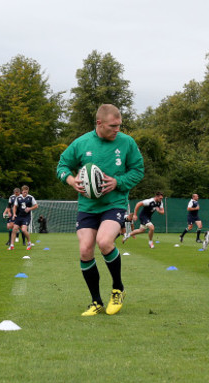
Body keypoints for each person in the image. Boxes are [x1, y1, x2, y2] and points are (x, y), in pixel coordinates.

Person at [56, 104, 144, 316]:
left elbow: (138, 171)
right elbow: (62, 166)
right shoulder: (81, 143)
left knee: (104, 242)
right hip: (87, 206)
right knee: (86, 249)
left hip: (114, 204)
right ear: (99, 123)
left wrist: (118, 182)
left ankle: (118, 289)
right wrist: (70, 179)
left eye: (119, 126)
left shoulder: (127, 143)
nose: (117, 130)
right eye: (113, 126)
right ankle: (96, 301)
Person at [9, 185, 38, 251]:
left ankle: (29, 243)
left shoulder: (30, 197)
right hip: (19, 216)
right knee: (14, 229)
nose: (25, 193)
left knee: (24, 230)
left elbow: (36, 206)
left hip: (26, 217)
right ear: (22, 191)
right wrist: (14, 214)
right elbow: (15, 206)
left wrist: (30, 208)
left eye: (26, 192)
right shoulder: (18, 198)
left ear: (28, 191)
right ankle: (12, 245)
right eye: (24, 192)